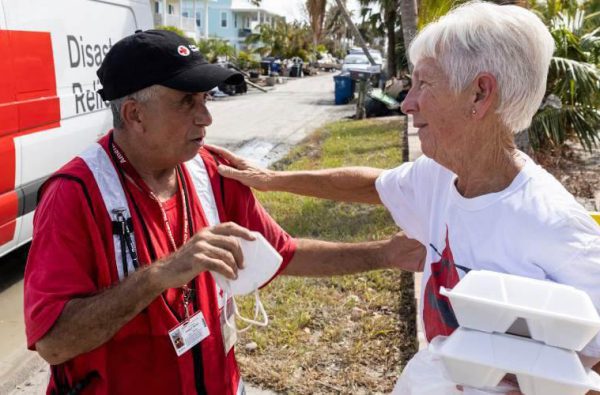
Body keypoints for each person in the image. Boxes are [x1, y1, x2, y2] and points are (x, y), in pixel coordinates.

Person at [212, 2, 600, 394]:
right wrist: (273, 180)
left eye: (424, 85)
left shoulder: (556, 226)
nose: (406, 102)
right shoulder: (439, 176)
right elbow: (371, 185)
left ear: (479, 94)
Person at [23, 30, 425, 395]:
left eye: (205, 99)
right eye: (186, 101)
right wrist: (158, 276)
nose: (206, 117)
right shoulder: (74, 195)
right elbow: (54, 343)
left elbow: (282, 254)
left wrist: (384, 254)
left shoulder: (213, 170)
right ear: (134, 114)